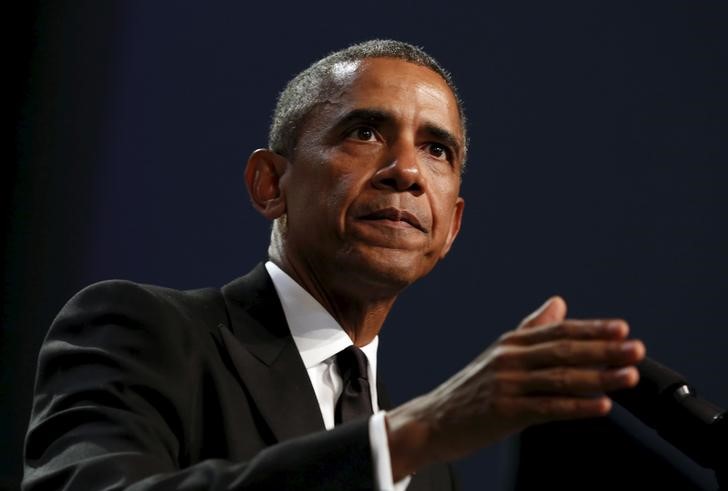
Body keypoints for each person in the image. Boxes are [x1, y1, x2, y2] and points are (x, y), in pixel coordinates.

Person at [22, 40, 645, 490]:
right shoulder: (142, 332)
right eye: (366, 134)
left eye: (435, 149)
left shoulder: (432, 473)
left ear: (450, 225)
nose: (405, 171)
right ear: (270, 184)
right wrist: (411, 434)